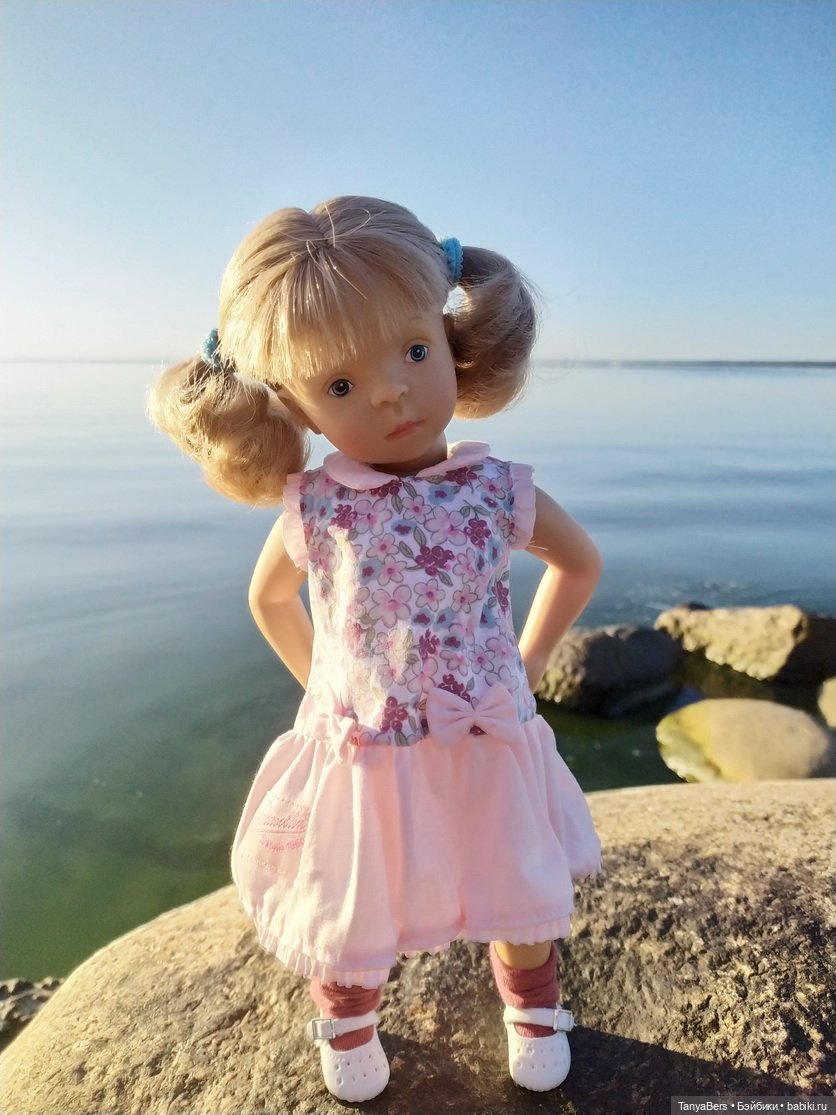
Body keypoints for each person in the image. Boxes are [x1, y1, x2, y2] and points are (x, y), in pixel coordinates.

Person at [149, 195, 602, 1102]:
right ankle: (349, 1018)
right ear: (295, 406)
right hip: (361, 748)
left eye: (415, 351)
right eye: (340, 386)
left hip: (484, 733)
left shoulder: (497, 490)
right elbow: (269, 599)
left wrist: (526, 666)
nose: (392, 390)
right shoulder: (316, 507)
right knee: (349, 900)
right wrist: (325, 688)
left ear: (452, 338)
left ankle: (532, 1006)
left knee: (517, 884)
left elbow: (578, 562)